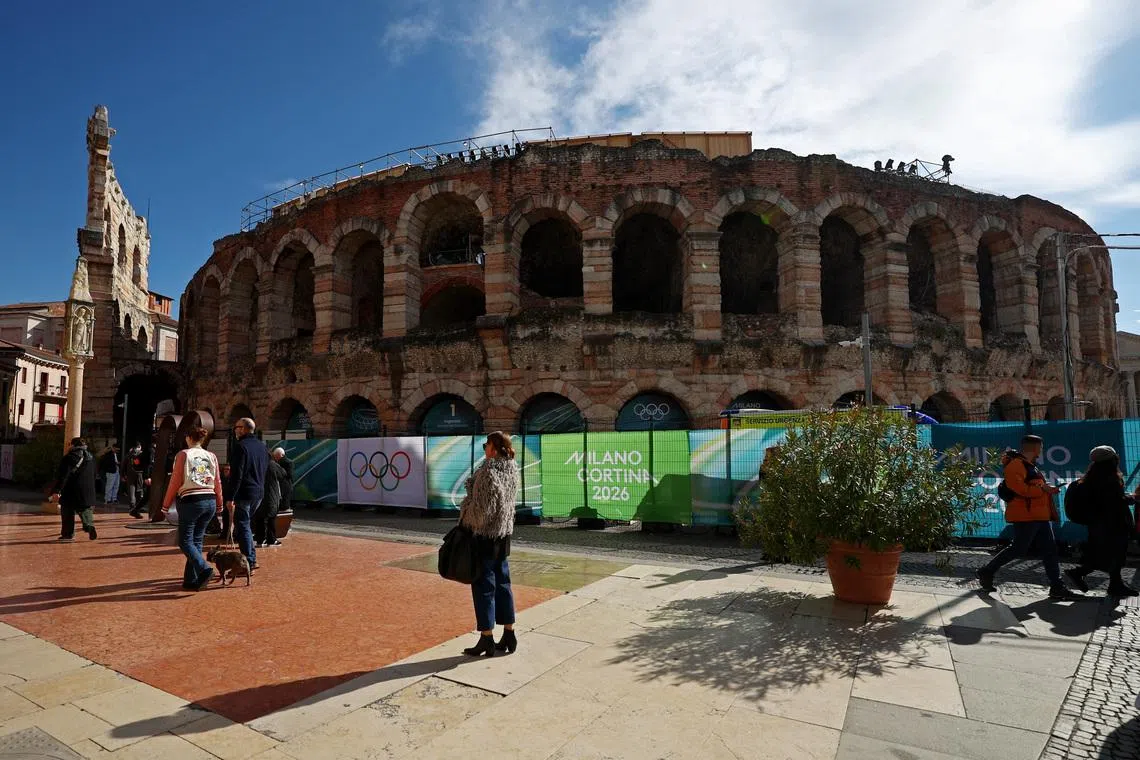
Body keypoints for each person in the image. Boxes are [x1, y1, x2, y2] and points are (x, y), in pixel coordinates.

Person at [977, 434, 1068, 598]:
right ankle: (987, 570)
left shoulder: (1030, 465)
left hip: (1038, 514)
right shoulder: (1016, 465)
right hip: (1026, 514)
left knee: (1049, 550)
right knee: (1019, 548)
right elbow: (1021, 490)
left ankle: (1057, 585)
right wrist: (1044, 490)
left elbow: (1035, 487)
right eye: (1041, 447)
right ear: (1034, 448)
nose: (1042, 450)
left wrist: (1048, 488)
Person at [459, 431, 519, 657]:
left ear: (493, 448)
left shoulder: (488, 473)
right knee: (503, 583)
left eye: (486, 444)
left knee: (484, 586)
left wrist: (465, 509)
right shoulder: (512, 469)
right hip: (503, 534)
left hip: (484, 536)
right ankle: (509, 633)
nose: (484, 448)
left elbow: (480, 512)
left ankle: (486, 638)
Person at [1065, 446, 1139, 597]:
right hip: (1113, 524)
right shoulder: (1109, 478)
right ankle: (1078, 573)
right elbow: (1114, 501)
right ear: (1112, 460)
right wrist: (1132, 498)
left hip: (1098, 524)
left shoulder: (1092, 476)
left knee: (1106, 555)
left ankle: (1115, 585)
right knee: (1112, 555)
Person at [161, 426, 223, 591]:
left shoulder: (183, 455)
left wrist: (166, 505)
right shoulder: (211, 456)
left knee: (185, 541)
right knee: (196, 540)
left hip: (191, 500)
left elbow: (175, 481)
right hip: (209, 500)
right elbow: (217, 481)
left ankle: (204, 569)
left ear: (188, 438)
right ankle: (190, 579)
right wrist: (219, 502)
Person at [226, 417, 268, 570]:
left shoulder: (240, 447)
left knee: (243, 525)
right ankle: (252, 559)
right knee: (246, 525)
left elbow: (237, 474)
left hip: (244, 493)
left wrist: (230, 497)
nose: (235, 430)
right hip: (258, 492)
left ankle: (248, 562)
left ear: (243, 429)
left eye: (236, 427)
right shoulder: (262, 447)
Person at [51, 437, 99, 542]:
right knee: (85, 509)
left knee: (67, 511)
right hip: (87, 490)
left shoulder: (69, 458)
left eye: (70, 444)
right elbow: (95, 474)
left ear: (73, 445)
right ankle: (89, 525)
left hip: (71, 489)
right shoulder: (91, 457)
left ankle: (68, 534)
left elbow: (63, 476)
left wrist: (57, 490)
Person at [255, 456, 286, 548]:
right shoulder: (272, 465)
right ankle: (271, 540)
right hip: (270, 495)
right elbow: (283, 474)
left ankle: (260, 540)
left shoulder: (257, 464)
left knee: (260, 518)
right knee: (271, 518)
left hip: (258, 495)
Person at [123, 443, 149, 518]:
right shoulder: (140, 454)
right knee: (139, 491)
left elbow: (124, 465)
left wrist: (123, 474)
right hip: (139, 475)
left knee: (134, 492)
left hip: (132, 475)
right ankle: (135, 508)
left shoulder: (128, 455)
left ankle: (134, 507)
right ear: (138, 447)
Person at [271, 447, 294, 512]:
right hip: (285, 485)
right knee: (284, 504)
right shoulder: (288, 462)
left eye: (276, 456)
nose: (275, 458)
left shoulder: (283, 463)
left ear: (281, 455)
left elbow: (289, 475)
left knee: (283, 504)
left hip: (284, 485)